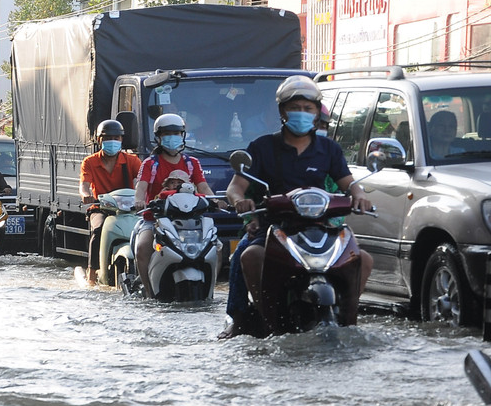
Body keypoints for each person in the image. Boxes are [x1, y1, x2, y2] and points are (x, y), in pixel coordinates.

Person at [219, 74, 375, 339]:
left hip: (322, 227)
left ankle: (350, 324)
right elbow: (236, 187)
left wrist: (359, 194)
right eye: (295, 108)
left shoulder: (329, 149)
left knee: (364, 260)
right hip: (275, 227)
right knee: (248, 256)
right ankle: (259, 322)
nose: (301, 114)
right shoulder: (262, 147)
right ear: (282, 111)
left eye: (308, 109)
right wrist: (240, 201)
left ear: (316, 114)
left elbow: (349, 183)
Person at [130, 114, 210, 297]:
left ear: (182, 135)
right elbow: (141, 187)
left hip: (189, 221)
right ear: (158, 137)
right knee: (143, 248)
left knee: (217, 248)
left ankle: (209, 292)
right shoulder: (151, 163)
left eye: (176, 133)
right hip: (155, 220)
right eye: (167, 133)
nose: (172, 137)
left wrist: (219, 200)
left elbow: (204, 187)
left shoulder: (192, 163)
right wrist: (139, 200)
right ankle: (149, 292)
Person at [79, 119, 142, 285]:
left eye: (116, 138)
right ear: (99, 140)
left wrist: (143, 196)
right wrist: (86, 194)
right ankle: (92, 274)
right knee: (98, 229)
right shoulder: (90, 162)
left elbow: (141, 183)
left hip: (129, 209)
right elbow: (84, 185)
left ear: (122, 140)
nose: (112, 141)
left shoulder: (132, 161)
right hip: (101, 208)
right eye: (107, 138)